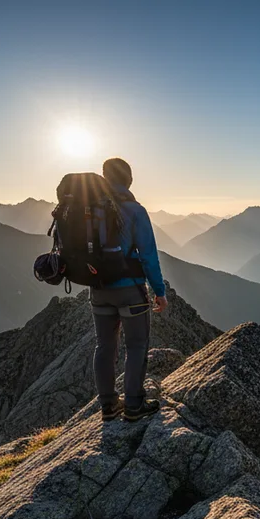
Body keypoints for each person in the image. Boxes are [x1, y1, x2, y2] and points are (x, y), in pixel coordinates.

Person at [92, 157, 169, 422]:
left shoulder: (91, 210)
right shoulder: (135, 210)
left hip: (99, 289)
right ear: (129, 180)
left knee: (104, 346)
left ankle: (108, 405)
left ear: (104, 177)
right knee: (136, 345)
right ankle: (134, 404)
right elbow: (148, 256)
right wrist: (159, 291)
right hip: (130, 290)